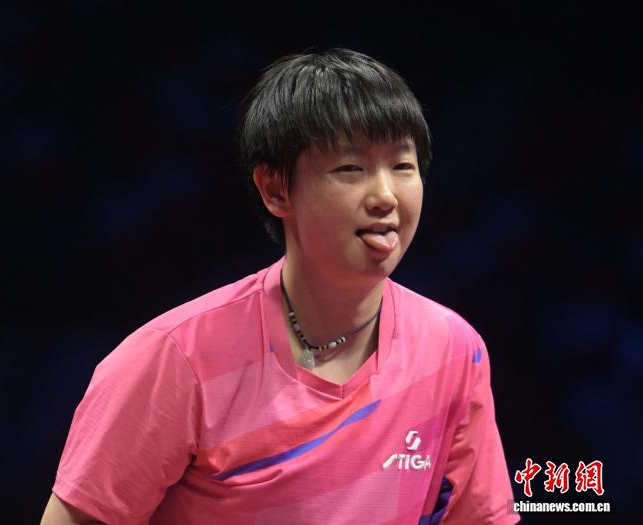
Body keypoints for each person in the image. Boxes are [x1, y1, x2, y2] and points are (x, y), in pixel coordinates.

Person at [41, 48, 519, 524]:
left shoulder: (453, 350)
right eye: (350, 169)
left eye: (402, 166)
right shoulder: (176, 359)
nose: (385, 196)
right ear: (276, 190)